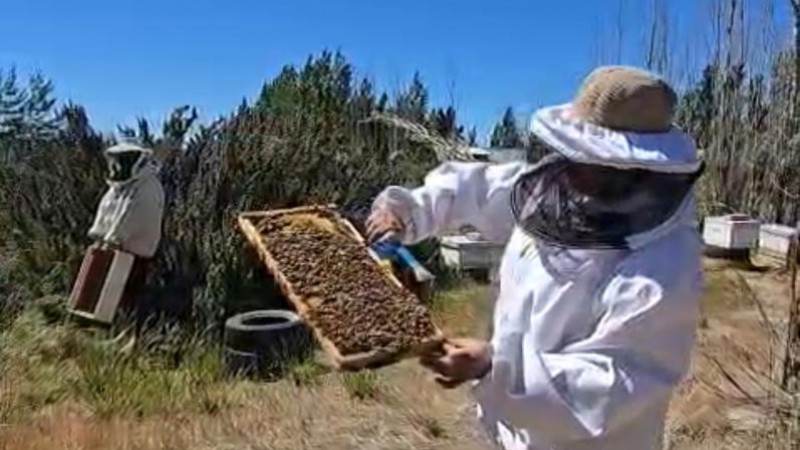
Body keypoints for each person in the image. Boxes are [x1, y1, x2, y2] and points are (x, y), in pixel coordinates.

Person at [366, 66, 705, 450]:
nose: (572, 169)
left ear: (636, 168)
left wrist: (496, 366)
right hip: (513, 434)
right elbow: (471, 189)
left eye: (591, 160)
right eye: (574, 153)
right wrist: (406, 211)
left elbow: (617, 381)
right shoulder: (554, 190)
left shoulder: (665, 264)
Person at [87, 141, 165, 316]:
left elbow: (132, 216)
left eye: (123, 160)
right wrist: (99, 236)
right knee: (99, 299)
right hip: (112, 250)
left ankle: (125, 334)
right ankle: (101, 331)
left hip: (134, 255)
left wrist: (113, 239)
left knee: (124, 301)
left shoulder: (148, 187)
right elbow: (106, 211)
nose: (117, 166)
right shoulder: (119, 187)